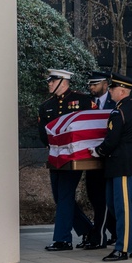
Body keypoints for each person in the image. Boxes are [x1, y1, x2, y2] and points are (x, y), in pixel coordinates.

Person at [37, 68, 95, 251]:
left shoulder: (83, 101)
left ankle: (63, 239)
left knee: (64, 195)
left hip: (74, 156)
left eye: (53, 81)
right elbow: (43, 133)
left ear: (63, 82)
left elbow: (90, 124)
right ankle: (89, 231)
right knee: (60, 197)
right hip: (55, 156)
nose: (50, 84)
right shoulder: (46, 106)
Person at [92, 73, 132, 261]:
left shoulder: (118, 111)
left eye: (113, 89)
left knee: (122, 208)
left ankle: (123, 248)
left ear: (121, 91)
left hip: (122, 163)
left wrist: (98, 151)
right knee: (114, 205)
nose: (110, 91)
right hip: (122, 162)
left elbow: (112, 139)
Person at [81, 70, 115, 249]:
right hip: (91, 159)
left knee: (104, 200)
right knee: (94, 197)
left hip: (108, 158)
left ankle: (99, 235)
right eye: (90, 85)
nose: (91, 88)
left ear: (105, 84)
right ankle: (116, 232)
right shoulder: (87, 103)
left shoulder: (114, 102)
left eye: (95, 84)